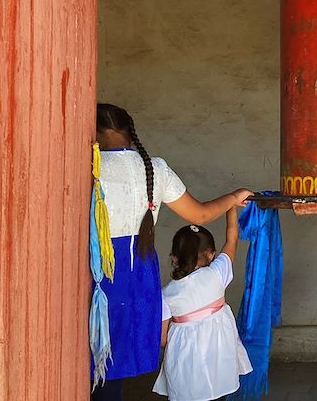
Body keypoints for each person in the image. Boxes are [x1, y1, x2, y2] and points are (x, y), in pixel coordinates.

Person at [92, 103, 252, 401]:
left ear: (94, 132)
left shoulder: (92, 167)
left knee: (97, 351)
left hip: (100, 268)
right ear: (130, 131)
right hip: (138, 272)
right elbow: (201, 216)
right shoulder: (156, 169)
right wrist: (233, 198)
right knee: (118, 352)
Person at [153, 210, 253, 400]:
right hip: (219, 357)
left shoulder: (165, 295)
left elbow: (162, 339)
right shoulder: (217, 273)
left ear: (174, 257)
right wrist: (231, 207)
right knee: (218, 392)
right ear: (211, 254)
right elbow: (232, 239)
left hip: (184, 363)